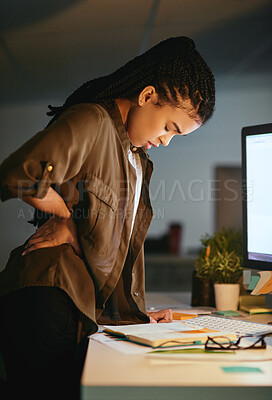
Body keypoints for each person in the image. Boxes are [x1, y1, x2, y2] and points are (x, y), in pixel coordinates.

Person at [0, 36, 215, 398]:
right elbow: (18, 175)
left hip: (75, 303)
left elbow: (109, 252)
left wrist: (136, 316)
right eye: (169, 128)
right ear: (147, 97)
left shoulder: (137, 159)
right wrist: (68, 217)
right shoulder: (93, 120)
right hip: (45, 297)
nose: (165, 141)